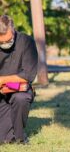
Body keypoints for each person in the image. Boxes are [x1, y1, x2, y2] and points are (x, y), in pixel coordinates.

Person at [0, 15, 38, 143]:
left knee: (21, 98)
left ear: (13, 30)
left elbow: (29, 74)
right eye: (1, 42)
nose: (5, 44)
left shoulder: (27, 42)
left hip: (19, 90)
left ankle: (20, 136)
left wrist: (2, 80)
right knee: (3, 138)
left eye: (8, 40)